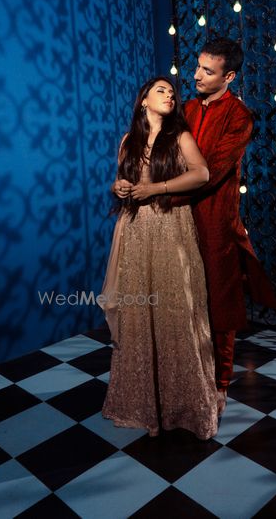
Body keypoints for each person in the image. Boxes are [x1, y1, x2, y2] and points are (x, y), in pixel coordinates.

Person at [97, 76, 218, 440]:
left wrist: (156, 188)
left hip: (171, 226)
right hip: (136, 230)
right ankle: (146, 407)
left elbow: (202, 174)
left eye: (171, 92)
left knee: (175, 313)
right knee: (140, 314)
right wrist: (119, 186)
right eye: (160, 90)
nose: (169, 95)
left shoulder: (179, 137)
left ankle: (185, 408)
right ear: (144, 101)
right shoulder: (128, 141)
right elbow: (121, 180)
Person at [183, 37, 276, 415]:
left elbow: (212, 171)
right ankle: (187, 378)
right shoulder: (187, 108)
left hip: (216, 223)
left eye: (207, 71)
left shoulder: (239, 117)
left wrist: (162, 194)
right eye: (197, 66)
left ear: (229, 77)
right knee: (183, 301)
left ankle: (220, 384)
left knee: (220, 305)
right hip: (178, 219)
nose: (196, 75)